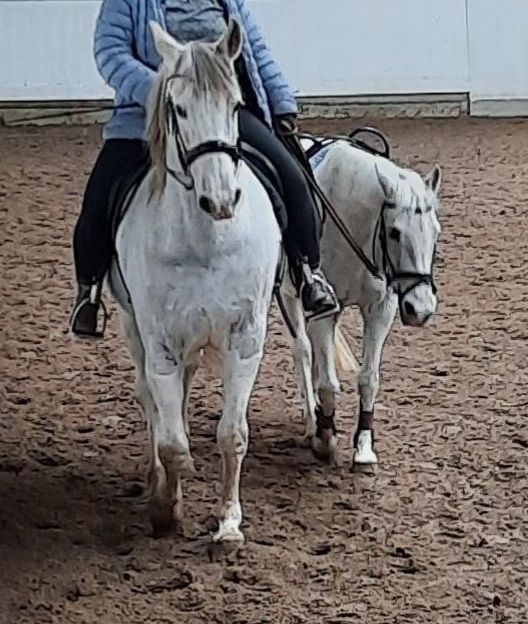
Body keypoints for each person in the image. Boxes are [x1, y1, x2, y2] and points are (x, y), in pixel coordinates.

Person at [71, 0, 340, 337]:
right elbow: (111, 53)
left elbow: (255, 50)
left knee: (294, 179)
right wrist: (162, 91)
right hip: (151, 111)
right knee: (99, 197)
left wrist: (281, 100)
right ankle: (89, 292)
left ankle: (307, 274)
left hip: (219, 113)